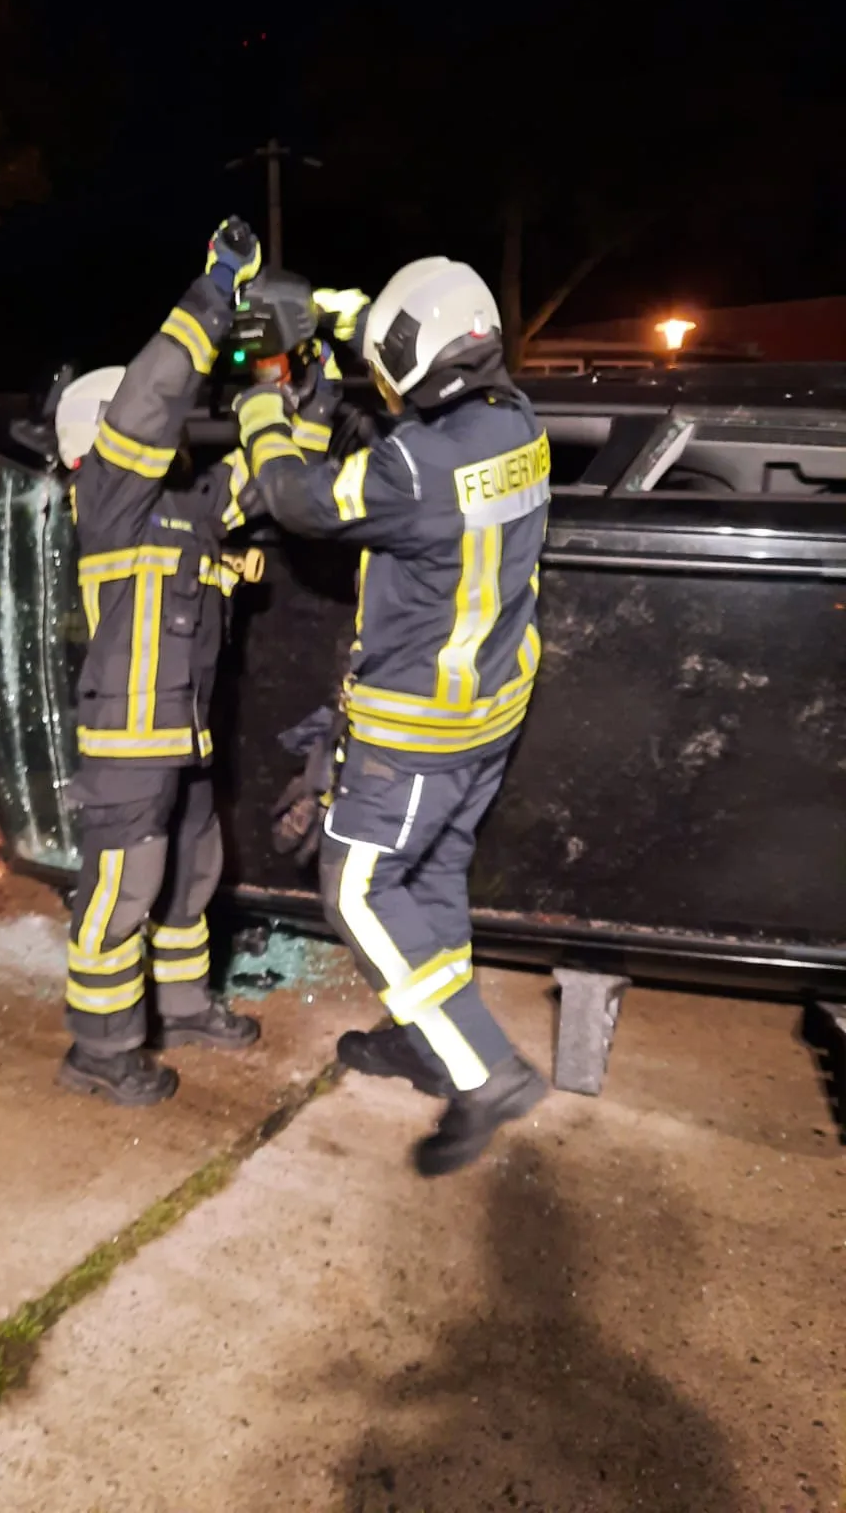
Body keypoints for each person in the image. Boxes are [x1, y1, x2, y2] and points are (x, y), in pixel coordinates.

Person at [235, 257, 551, 1174]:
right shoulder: (518, 424)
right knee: (432, 877)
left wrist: (263, 400)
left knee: (356, 891)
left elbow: (296, 498)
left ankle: (485, 1072)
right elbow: (413, 414)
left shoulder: (415, 467)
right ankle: (430, 1041)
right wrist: (345, 337)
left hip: (416, 730)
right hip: (488, 715)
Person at [54, 219, 266, 1107]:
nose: (172, 427)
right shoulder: (108, 499)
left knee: (191, 871)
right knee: (123, 888)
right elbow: (152, 393)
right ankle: (99, 1050)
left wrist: (297, 388)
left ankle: (181, 1009)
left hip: (186, 734)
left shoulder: (187, 506)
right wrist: (214, 296)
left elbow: (264, 475)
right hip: (128, 740)